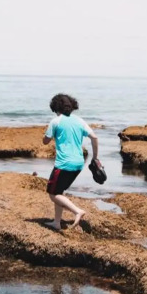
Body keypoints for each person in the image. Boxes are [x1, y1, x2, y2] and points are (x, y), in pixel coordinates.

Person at [42, 92, 100, 231]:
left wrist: (48, 136)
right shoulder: (79, 121)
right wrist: (95, 158)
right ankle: (57, 222)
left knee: (53, 194)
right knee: (60, 192)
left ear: (55, 108)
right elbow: (94, 137)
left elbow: (45, 141)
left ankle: (77, 211)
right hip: (79, 163)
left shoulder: (56, 121)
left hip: (64, 164)